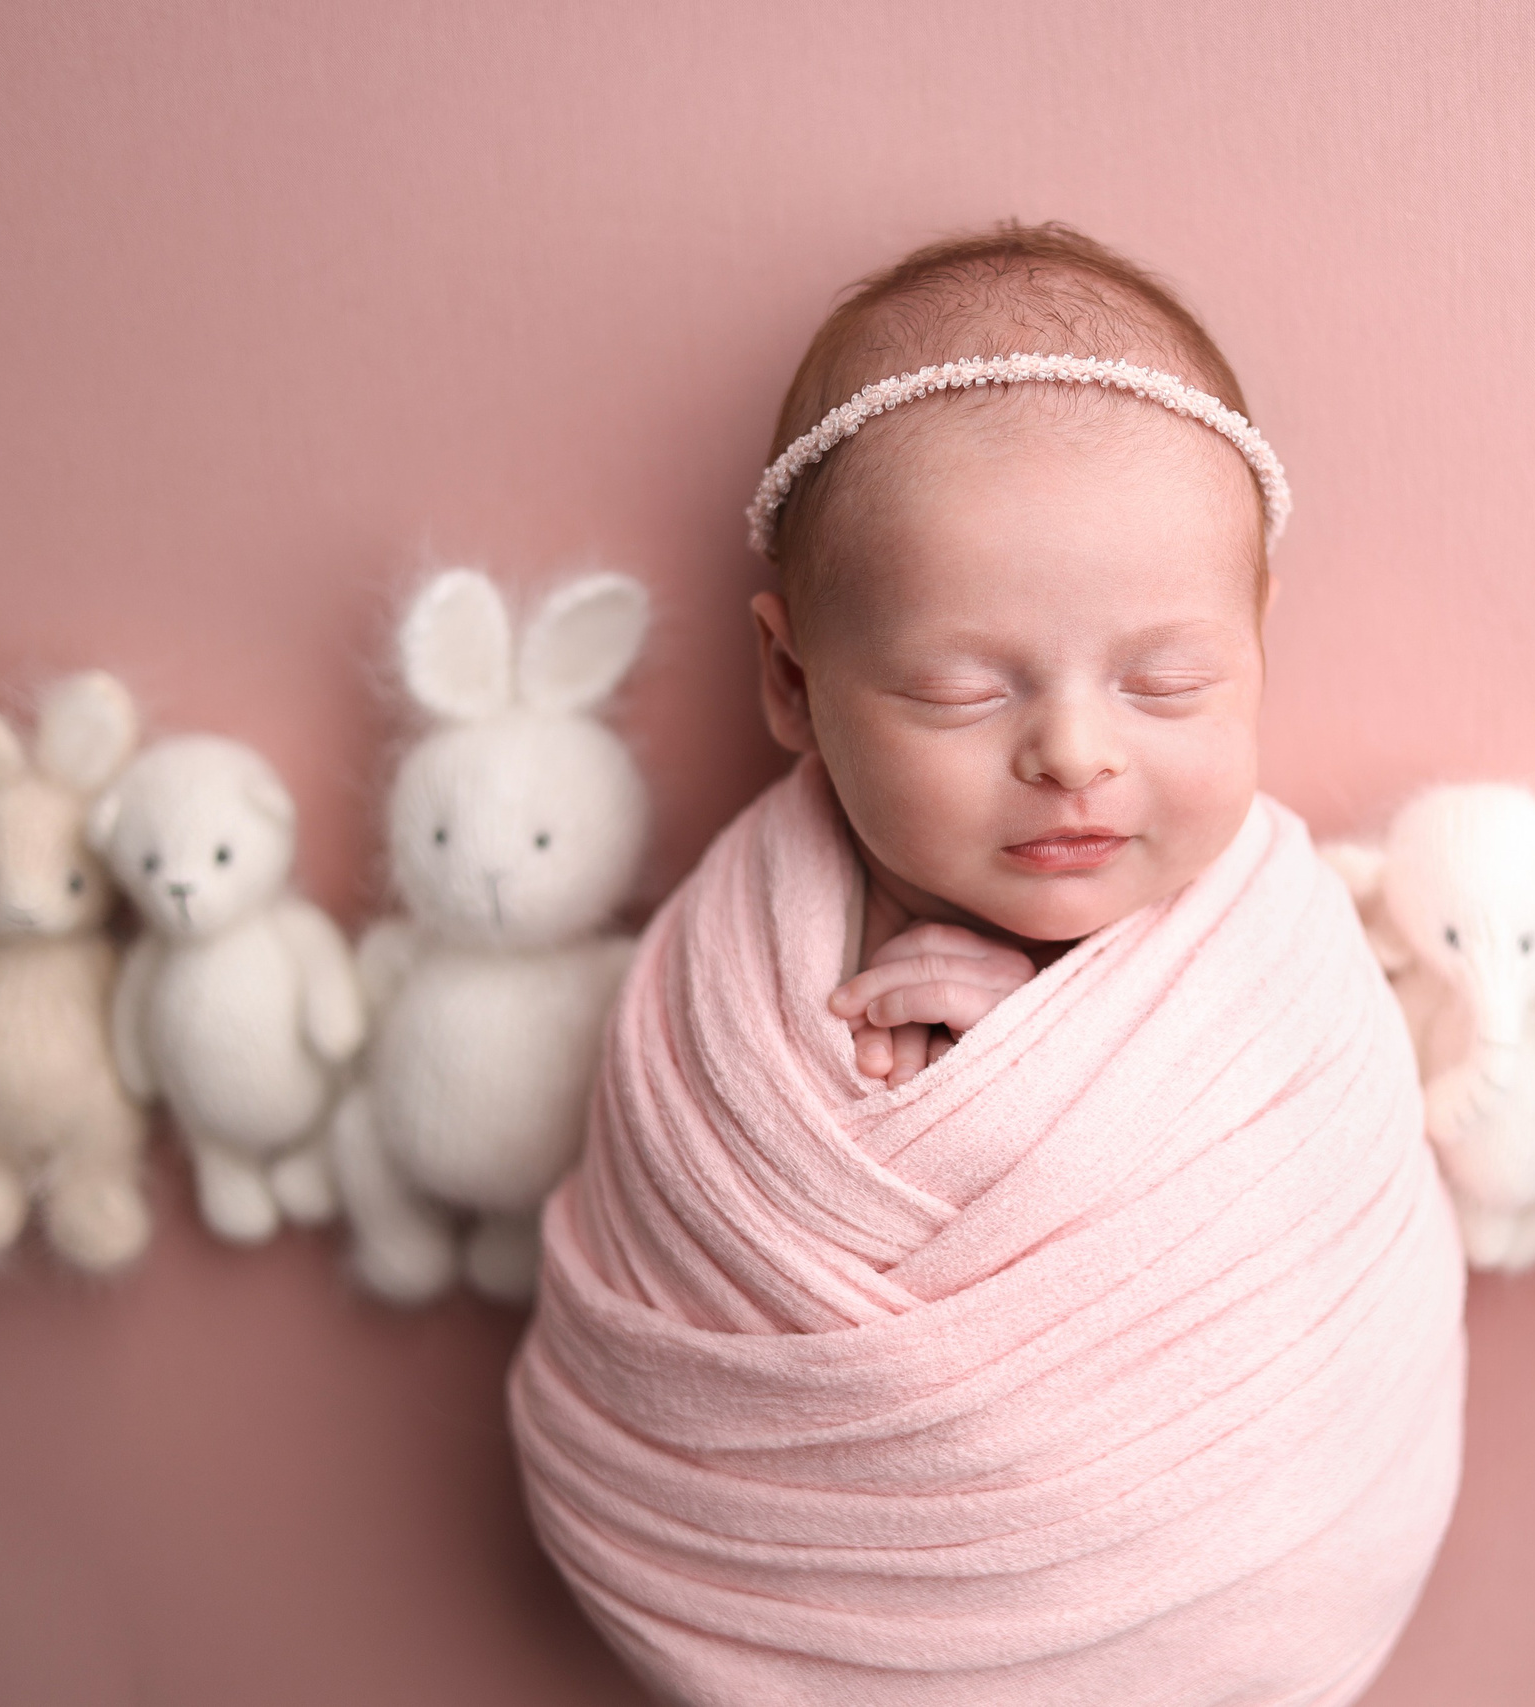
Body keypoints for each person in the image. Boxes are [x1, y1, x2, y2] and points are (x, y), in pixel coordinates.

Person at [509, 222, 1467, 1707]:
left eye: (1169, 682)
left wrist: (1028, 1071)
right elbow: (673, 1289)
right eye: (962, 689)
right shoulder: (736, 980)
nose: (1076, 752)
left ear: (1259, 642)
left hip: (1247, 1591)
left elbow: (1310, 1279)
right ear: (790, 679)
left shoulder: (1279, 951)